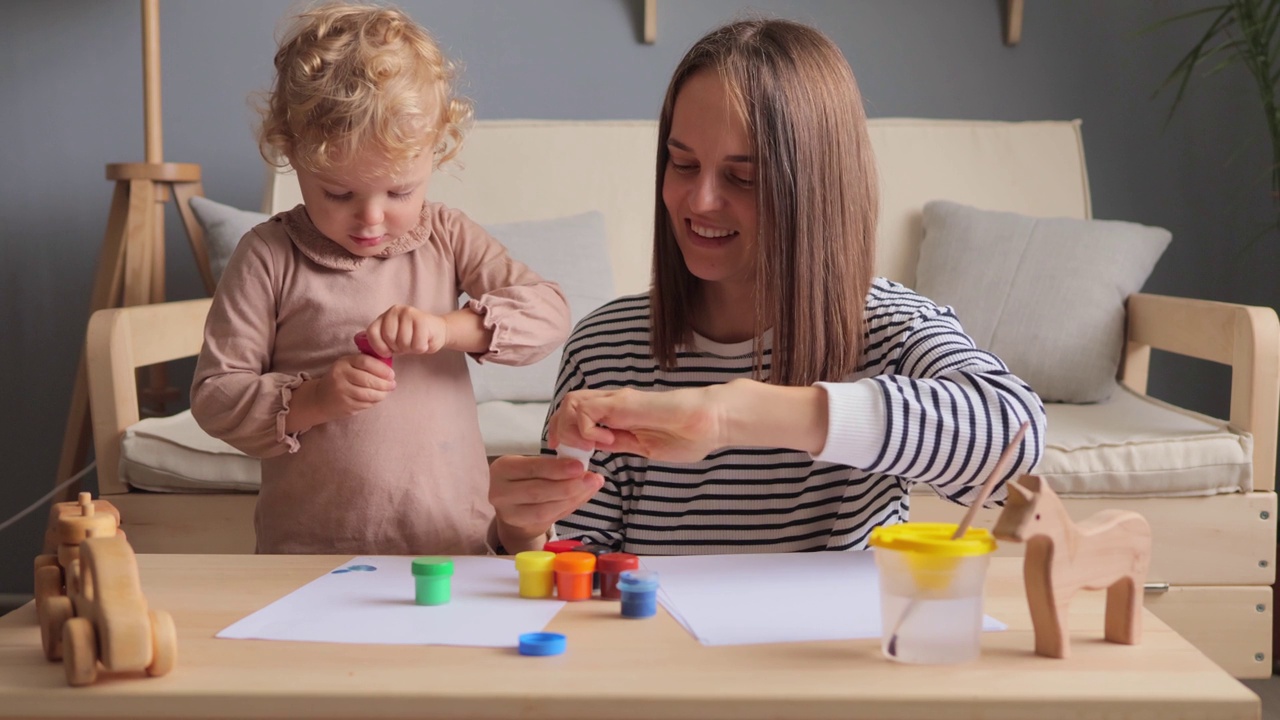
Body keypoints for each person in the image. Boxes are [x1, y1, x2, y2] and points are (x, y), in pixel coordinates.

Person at [488, 18, 1045, 555]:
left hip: (831, 647)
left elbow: (1016, 449)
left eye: (743, 177)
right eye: (682, 164)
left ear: (817, 189)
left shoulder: (892, 331)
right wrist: (521, 531)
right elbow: (573, 557)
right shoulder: (607, 347)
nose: (699, 201)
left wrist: (732, 416)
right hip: (657, 646)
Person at [191, 3, 570, 555]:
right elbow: (216, 398)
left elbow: (548, 314)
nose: (371, 218)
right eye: (338, 193)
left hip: (451, 540)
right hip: (311, 550)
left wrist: (447, 329)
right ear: (291, 154)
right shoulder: (268, 255)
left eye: (399, 192)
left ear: (434, 153)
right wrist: (316, 399)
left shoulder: (446, 235)